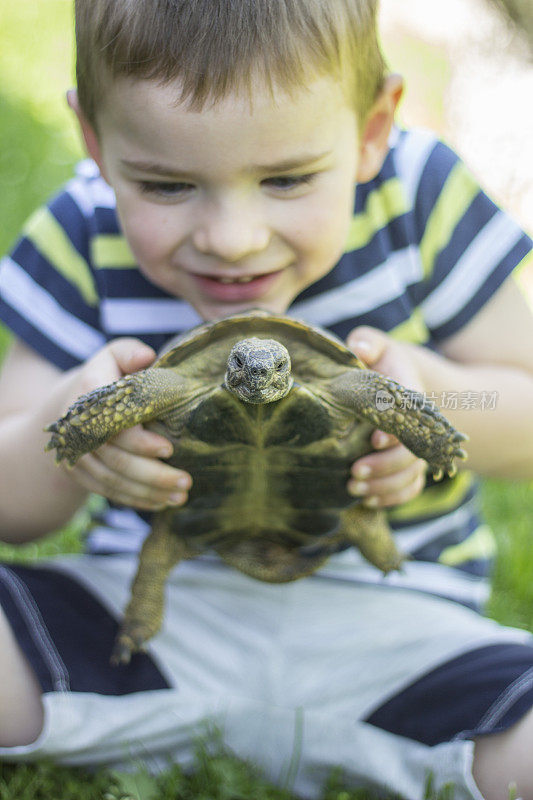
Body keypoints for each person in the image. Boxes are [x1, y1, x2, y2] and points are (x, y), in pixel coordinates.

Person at [0, 1, 532, 797]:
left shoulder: (417, 201)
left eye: (286, 178)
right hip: (148, 626)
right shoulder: (79, 232)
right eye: (167, 184)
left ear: (370, 129)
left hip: (400, 637)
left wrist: (431, 395)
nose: (232, 237)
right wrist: (76, 425)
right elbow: (11, 506)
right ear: (95, 143)